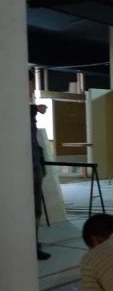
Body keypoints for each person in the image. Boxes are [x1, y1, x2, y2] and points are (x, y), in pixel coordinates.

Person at [29, 75, 50, 260]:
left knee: (35, 209)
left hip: (34, 162)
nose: (32, 89)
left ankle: (33, 246)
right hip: (25, 165)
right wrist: (34, 108)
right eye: (31, 84)